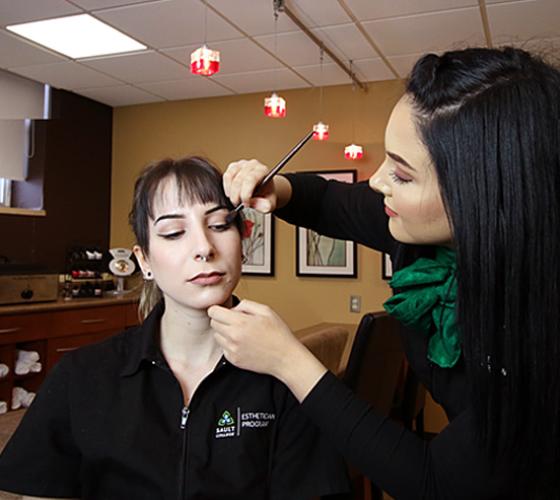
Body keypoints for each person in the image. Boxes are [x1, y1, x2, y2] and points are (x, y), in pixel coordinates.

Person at [208, 47, 560, 499]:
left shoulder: (539, 327)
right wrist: (275, 187)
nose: (377, 181)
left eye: (403, 174)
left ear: (483, 196)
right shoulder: (419, 229)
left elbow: (434, 482)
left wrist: (288, 361)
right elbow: (328, 203)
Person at [0, 157, 350, 499]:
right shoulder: (80, 377)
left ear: (243, 239)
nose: (203, 248)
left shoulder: (288, 379)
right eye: (173, 232)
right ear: (144, 260)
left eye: (218, 225)